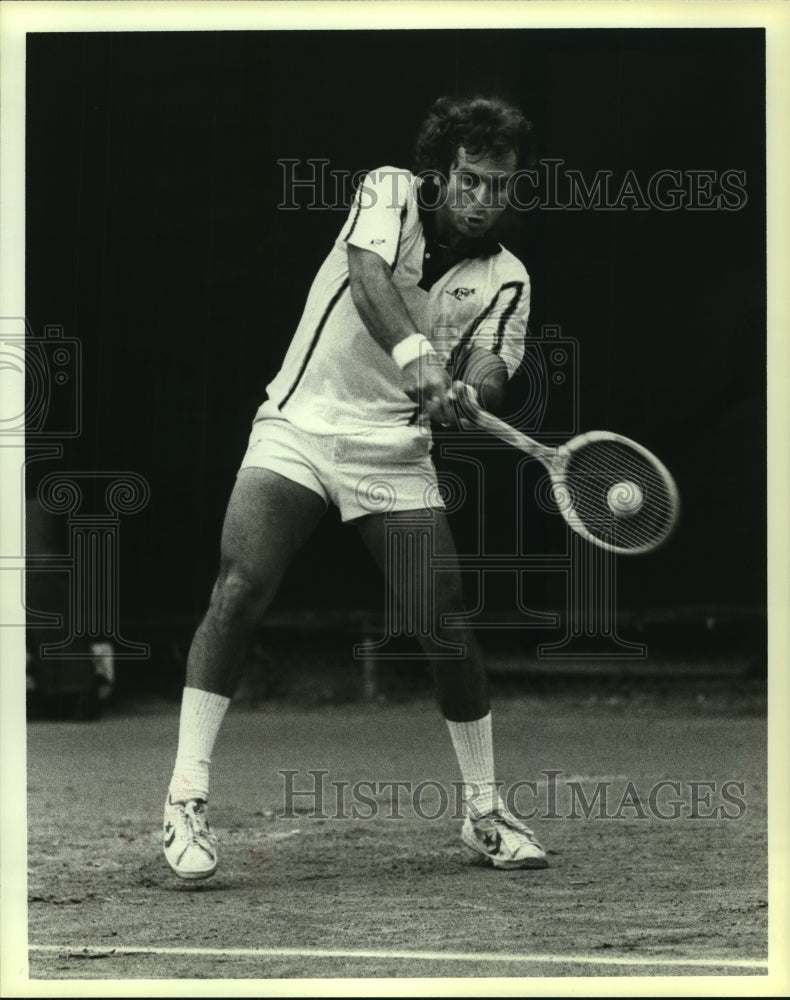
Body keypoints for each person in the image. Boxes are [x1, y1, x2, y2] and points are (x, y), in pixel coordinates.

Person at [163, 95, 549, 879]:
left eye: (499, 186)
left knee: (445, 624)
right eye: (470, 180)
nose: (482, 200)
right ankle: (183, 802)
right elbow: (368, 275)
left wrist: (474, 387)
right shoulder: (387, 191)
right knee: (240, 589)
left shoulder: (508, 277)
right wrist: (417, 358)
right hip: (299, 428)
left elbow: (493, 366)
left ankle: (482, 810)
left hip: (393, 454)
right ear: (440, 174)